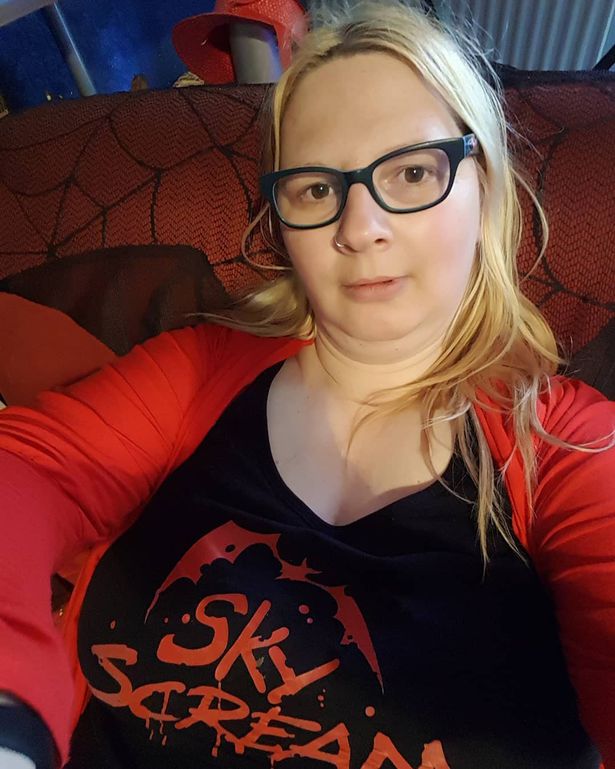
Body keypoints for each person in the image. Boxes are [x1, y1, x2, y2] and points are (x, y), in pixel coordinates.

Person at [0, 1, 614, 768]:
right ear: (281, 220)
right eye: (317, 189)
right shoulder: (200, 370)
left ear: (483, 186)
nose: (359, 228)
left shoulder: (567, 447)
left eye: (412, 172)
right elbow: (27, 471)